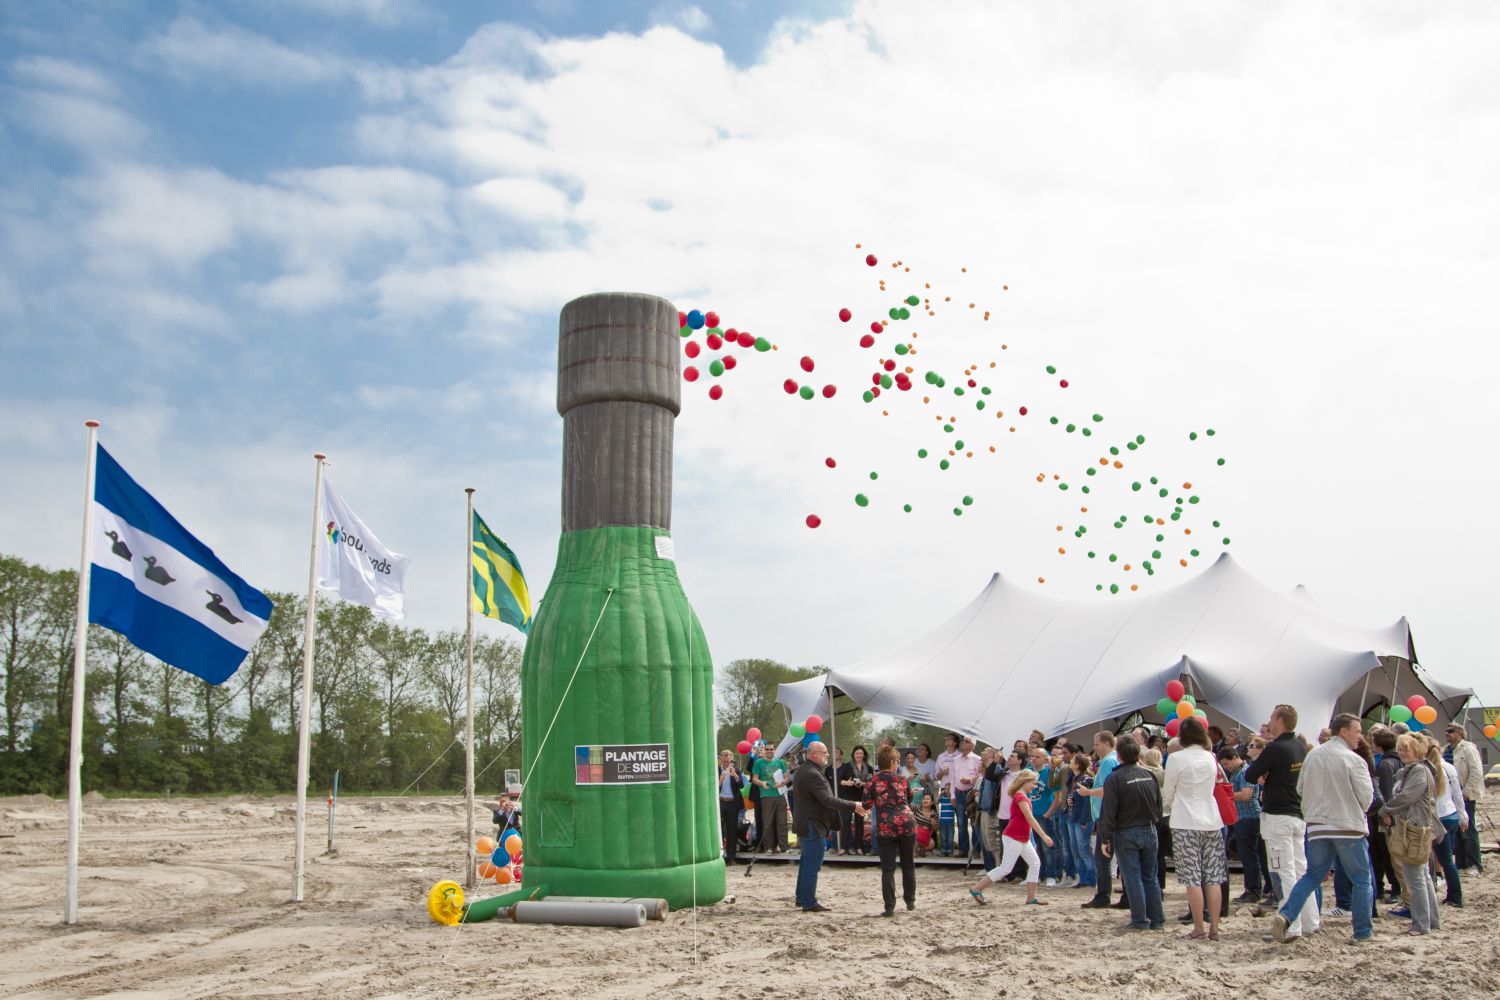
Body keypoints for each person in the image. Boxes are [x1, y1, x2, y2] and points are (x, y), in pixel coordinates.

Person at [1268, 714, 1374, 944]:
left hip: (1317, 825)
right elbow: (1366, 797)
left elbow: (1300, 788)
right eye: (1357, 731)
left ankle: (1287, 915)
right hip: (1347, 825)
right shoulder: (1353, 759)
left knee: (1311, 876)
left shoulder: (1313, 755)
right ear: (1344, 732)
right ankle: (1363, 932)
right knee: (1362, 879)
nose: (1360, 736)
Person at [1242, 704, 1319, 939]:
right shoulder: (1299, 746)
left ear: (1280, 721)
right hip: (1297, 813)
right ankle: (1310, 921)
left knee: (1284, 872)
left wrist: (1267, 775)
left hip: (1277, 816)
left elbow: (1250, 774)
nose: (1270, 722)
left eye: (1273, 718)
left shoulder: (1275, 748)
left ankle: (1290, 925)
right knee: (1301, 869)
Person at [1163, 716, 1225, 941]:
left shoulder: (1176, 758)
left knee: (1192, 878)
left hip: (1185, 820)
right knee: (1213, 877)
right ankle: (1215, 928)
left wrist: (1172, 804)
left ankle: (1199, 926)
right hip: (1210, 819)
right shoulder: (1211, 757)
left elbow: (1168, 792)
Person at [1097, 736, 1165, 931]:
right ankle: (1157, 919)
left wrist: (1105, 838)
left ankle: (1140, 920)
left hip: (1127, 832)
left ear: (1118, 755)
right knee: (1150, 877)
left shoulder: (1115, 778)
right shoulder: (1148, 775)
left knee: (1133, 877)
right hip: (1149, 829)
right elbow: (1158, 806)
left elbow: (1108, 811)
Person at [1378, 733, 1442, 935]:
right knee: (1422, 876)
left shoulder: (1418, 771)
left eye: (1407, 748)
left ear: (1418, 750)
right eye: (1401, 748)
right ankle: (1430, 921)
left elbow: (1407, 796)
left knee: (1415, 877)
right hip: (1415, 826)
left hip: (1414, 829)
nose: (1403, 752)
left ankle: (1421, 924)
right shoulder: (1413, 770)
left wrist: (1385, 809)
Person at [791, 740, 866, 913]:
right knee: (812, 864)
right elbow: (828, 800)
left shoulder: (806, 770)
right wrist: (854, 805)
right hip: (812, 824)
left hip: (807, 822)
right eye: (824, 752)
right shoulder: (812, 773)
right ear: (813, 755)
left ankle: (802, 897)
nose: (827, 755)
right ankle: (808, 902)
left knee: (806, 862)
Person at [969, 768, 1054, 906]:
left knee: (1034, 863)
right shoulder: (1020, 797)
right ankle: (977, 888)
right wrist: (1044, 836)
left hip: (1021, 837)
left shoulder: (1020, 795)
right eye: (1033, 783)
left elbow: (1027, 820)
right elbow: (1030, 818)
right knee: (1006, 868)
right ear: (1025, 782)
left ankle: (1031, 897)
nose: (1034, 786)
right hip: (1014, 836)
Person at [863, 746, 917, 916]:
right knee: (908, 864)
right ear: (893, 762)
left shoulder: (871, 781)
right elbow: (909, 798)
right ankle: (910, 901)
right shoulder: (903, 780)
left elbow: (866, 804)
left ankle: (889, 907)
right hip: (907, 823)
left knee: (888, 868)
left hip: (886, 826)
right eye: (897, 761)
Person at [1075, 731, 1119, 909]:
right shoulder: (1109, 760)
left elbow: (1108, 788)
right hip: (1105, 813)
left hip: (1105, 814)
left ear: (1107, 743)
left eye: (1097, 744)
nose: (1094, 748)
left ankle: (1103, 896)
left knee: (1102, 858)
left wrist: (1088, 792)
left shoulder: (1109, 761)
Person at [1221, 745, 1264, 902]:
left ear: (1234, 757)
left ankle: (1253, 890)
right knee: (1249, 855)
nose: (1226, 767)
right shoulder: (1237, 773)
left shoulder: (1245, 772)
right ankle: (1253, 888)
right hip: (1242, 817)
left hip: (1249, 817)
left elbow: (1246, 795)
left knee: (1249, 855)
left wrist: (1226, 795)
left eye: (1226, 763)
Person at [1432, 736, 1466, 907]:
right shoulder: (1449, 767)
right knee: (1446, 860)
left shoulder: (1433, 769)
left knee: (1444, 860)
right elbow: (1457, 795)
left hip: (1441, 818)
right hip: (1451, 815)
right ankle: (1453, 895)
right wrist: (1462, 816)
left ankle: (1455, 897)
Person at [1446, 723, 1484, 872]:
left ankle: (1474, 864)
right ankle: (1461, 863)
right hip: (1450, 796)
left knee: (1468, 829)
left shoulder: (1468, 749)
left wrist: (1466, 792)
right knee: (1456, 830)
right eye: (1446, 731)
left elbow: (1476, 772)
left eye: (1451, 731)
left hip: (1465, 795)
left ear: (1460, 733)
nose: (1447, 734)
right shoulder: (1446, 750)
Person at [1064, 752, 1097, 890]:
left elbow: (1087, 802)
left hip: (1081, 819)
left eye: (1072, 760)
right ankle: (1083, 877)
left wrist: (1084, 819)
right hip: (1073, 817)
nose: (1070, 761)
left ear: (1077, 764)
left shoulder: (1086, 779)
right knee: (1076, 849)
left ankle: (1090, 878)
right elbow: (1073, 797)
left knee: (1083, 849)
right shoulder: (1074, 778)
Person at [1029, 746, 1061, 885]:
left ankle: (1051, 874)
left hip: (1044, 814)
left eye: (1037, 757)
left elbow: (1057, 796)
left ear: (1045, 759)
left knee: (1048, 846)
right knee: (1034, 847)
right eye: (1033, 756)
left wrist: (1048, 813)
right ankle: (1037, 874)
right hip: (1030, 815)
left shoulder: (1050, 772)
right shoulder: (1028, 772)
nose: (1034, 759)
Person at [751, 744, 789, 853]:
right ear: (764, 751)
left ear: (774, 750)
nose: (769, 751)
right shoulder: (759, 763)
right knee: (768, 823)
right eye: (767, 749)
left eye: (771, 749)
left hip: (780, 795)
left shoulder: (780, 762)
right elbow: (754, 779)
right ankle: (769, 847)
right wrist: (762, 783)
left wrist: (782, 782)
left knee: (782, 822)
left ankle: (784, 847)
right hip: (766, 796)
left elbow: (787, 777)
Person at [950, 736, 983, 859]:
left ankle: (976, 850)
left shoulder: (977, 759)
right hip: (959, 792)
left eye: (966, 741)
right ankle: (963, 850)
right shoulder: (956, 759)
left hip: (971, 792)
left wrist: (969, 780)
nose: (963, 743)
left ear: (972, 745)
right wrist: (953, 795)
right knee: (961, 822)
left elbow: (980, 778)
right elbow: (953, 778)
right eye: (963, 741)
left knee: (974, 822)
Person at [837, 745, 872, 854]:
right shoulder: (846, 766)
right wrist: (846, 783)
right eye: (857, 753)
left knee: (859, 823)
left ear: (864, 755)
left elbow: (872, 783)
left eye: (861, 753)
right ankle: (843, 847)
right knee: (845, 822)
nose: (859, 755)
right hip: (848, 798)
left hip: (862, 797)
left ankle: (859, 847)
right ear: (853, 755)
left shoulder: (869, 768)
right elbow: (839, 780)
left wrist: (864, 783)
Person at [717, 750, 745, 865]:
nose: (726, 762)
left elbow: (741, 786)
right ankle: (719, 856)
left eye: (728, 759)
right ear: (721, 759)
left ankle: (731, 858)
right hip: (720, 802)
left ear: (731, 759)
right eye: (724, 759)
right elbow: (711, 787)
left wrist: (735, 776)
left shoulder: (736, 770)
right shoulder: (716, 770)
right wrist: (720, 781)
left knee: (731, 831)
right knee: (719, 830)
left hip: (732, 804)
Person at [934, 733, 960, 854]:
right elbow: (936, 775)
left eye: (950, 739)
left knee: (960, 820)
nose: (947, 741)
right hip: (945, 790)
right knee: (945, 819)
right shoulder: (941, 756)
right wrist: (942, 773)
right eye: (946, 739)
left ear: (955, 742)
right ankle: (945, 847)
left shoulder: (959, 755)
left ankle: (960, 848)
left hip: (957, 789)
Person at [912, 791, 939, 856]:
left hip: (925, 835)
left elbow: (936, 830)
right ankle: (913, 851)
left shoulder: (934, 814)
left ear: (932, 802)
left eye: (928, 799)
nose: (925, 800)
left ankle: (921, 849)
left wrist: (934, 824)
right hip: (915, 833)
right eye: (924, 799)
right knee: (918, 831)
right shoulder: (917, 808)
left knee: (932, 844)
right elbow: (908, 805)